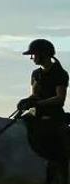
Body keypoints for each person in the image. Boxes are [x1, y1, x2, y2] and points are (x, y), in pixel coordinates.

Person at [18, 38, 68, 175]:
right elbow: (34, 95)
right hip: (36, 113)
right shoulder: (36, 74)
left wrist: (38, 103)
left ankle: (60, 171)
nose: (32, 58)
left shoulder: (60, 74)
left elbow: (60, 99)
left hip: (54, 115)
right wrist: (26, 101)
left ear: (43, 54)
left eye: (33, 54)